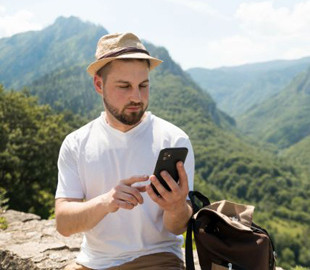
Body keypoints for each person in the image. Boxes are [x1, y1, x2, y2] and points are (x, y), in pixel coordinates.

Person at [55, 32, 195, 270]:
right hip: (93, 262)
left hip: (157, 259)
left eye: (143, 86)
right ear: (99, 85)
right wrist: (106, 201)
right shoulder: (76, 143)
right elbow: (64, 224)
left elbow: (178, 227)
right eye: (124, 86)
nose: (137, 97)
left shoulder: (174, 140)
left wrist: (176, 207)